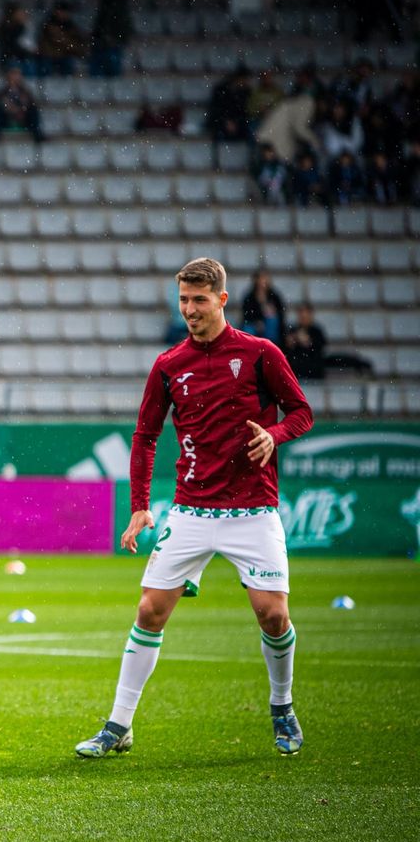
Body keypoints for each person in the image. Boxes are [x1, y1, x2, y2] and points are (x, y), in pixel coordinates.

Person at [76, 258, 313, 760]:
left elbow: (301, 412)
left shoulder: (260, 353)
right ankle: (118, 725)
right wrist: (140, 506)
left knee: (273, 615)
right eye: (184, 299)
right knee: (149, 610)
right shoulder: (169, 364)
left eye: (199, 300)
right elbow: (144, 437)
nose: (190, 309)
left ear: (222, 300)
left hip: (253, 509)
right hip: (191, 510)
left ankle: (282, 705)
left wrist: (273, 435)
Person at [0, 67, 45, 143]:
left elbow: (29, 103)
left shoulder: (25, 92)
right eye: (14, 75)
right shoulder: (2, 92)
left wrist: (20, 109)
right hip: (7, 116)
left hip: (23, 116)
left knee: (33, 110)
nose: (16, 78)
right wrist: (12, 109)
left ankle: (37, 133)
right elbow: (2, 103)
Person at [88, 0, 131, 77]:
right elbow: (102, 21)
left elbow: (119, 22)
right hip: (104, 40)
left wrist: (113, 37)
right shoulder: (105, 1)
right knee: (100, 67)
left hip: (113, 40)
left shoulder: (116, 2)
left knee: (112, 68)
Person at [37, 1, 88, 77]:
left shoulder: (71, 26)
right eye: (62, 11)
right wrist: (73, 47)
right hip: (50, 56)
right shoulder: (49, 24)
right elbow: (60, 40)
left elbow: (75, 42)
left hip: (65, 56)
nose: (64, 14)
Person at [241, 270, 287, 344]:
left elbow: (280, 313)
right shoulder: (250, 297)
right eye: (260, 279)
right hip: (254, 324)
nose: (262, 282)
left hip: (269, 325)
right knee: (248, 329)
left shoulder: (274, 296)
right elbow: (246, 314)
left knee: (272, 322)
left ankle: (271, 344)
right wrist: (257, 322)